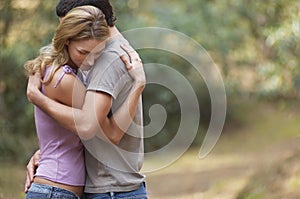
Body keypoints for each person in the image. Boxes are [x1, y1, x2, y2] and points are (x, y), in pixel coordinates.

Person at [26, 0, 148, 199]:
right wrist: (48, 152)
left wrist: (38, 98)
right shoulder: (83, 63)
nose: (63, 31)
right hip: (97, 188)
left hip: (112, 191)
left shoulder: (107, 57)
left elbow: (91, 126)